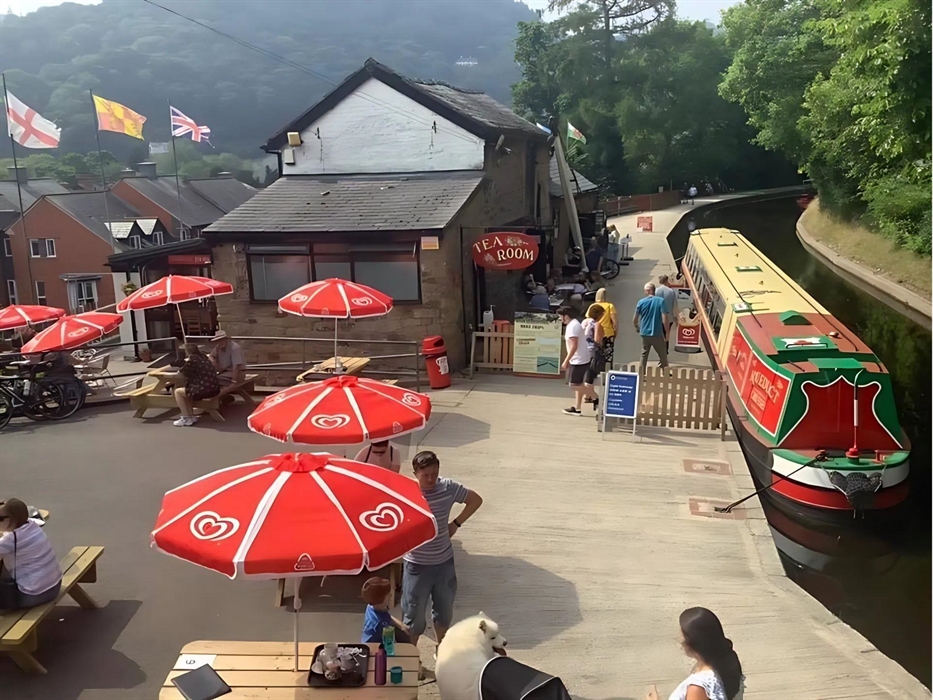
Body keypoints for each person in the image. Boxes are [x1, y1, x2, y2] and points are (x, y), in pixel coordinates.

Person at [402, 451, 483, 649]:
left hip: (444, 563)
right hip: (416, 565)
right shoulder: (406, 492)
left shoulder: (448, 487)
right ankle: (412, 658)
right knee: (413, 617)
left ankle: (443, 651)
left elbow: (475, 500)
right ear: (415, 473)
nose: (431, 479)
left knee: (444, 612)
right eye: (425, 475)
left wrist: (455, 523)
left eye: (434, 474)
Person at [646, 607, 744, 700]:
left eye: (683, 635)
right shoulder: (728, 661)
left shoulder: (698, 687)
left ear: (695, 643)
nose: (680, 640)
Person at [0, 499, 62, 610]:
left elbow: (7, 542)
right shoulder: (32, 524)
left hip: (33, 595)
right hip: (54, 586)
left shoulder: (10, 540)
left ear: (13, 519)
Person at [558, 305, 596, 415]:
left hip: (578, 359)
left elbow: (574, 346)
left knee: (574, 385)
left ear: (566, 316)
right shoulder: (573, 324)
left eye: (561, 316)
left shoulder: (573, 326)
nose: (560, 319)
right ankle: (577, 408)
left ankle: (595, 397)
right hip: (581, 357)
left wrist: (566, 361)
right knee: (579, 383)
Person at [173, 343, 221, 427]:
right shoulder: (204, 358)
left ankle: (186, 417)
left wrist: (179, 365)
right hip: (214, 388)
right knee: (186, 391)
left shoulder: (193, 360)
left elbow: (181, 373)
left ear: (187, 352)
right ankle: (190, 416)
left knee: (178, 392)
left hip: (204, 389)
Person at [360, 576, 410, 644]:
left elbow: (387, 616)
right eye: (388, 596)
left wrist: (400, 625)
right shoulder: (375, 624)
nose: (391, 596)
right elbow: (367, 643)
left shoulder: (373, 606)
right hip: (377, 646)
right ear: (381, 601)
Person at [634, 283, 669, 376]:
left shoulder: (641, 302)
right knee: (662, 353)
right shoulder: (660, 301)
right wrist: (667, 332)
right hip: (657, 332)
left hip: (644, 332)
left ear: (647, 291)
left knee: (644, 354)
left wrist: (637, 327)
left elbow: (635, 318)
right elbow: (664, 318)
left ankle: (641, 373)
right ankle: (665, 372)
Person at [581, 305, 606, 409]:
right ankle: (595, 398)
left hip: (583, 351)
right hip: (593, 352)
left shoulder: (584, 322)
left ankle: (588, 397)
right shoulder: (597, 324)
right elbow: (597, 340)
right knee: (590, 376)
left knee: (586, 374)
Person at [587, 287, 617, 367]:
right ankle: (606, 367)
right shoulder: (610, 306)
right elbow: (614, 322)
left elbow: (588, 319)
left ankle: (595, 366)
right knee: (607, 354)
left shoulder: (592, 306)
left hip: (594, 333)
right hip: (607, 333)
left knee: (595, 352)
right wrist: (615, 333)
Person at [655, 275, 678, 352]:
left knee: (660, 334)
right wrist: (676, 317)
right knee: (667, 333)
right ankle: (665, 349)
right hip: (669, 317)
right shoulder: (671, 291)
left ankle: (660, 349)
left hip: (658, 317)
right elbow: (675, 306)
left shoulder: (656, 291)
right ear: (666, 281)